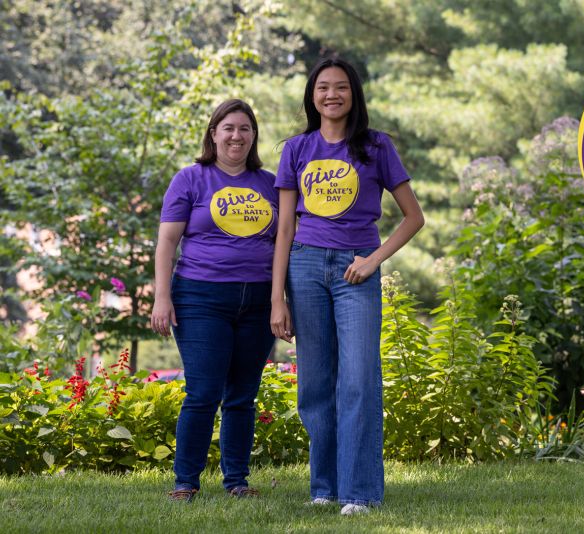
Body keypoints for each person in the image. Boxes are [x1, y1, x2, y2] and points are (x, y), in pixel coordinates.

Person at [271, 58, 424, 515]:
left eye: (340, 87)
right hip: (303, 267)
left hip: (355, 271)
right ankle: (324, 488)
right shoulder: (296, 149)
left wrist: (373, 260)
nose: (331, 94)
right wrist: (276, 297)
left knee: (358, 379)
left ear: (353, 94)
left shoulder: (376, 147)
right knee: (316, 382)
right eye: (322, 87)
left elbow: (413, 217)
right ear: (311, 95)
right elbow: (283, 229)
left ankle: (360, 493)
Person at [150, 99, 278, 502]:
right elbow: (167, 241)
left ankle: (237, 482)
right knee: (203, 391)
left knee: (243, 393)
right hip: (201, 297)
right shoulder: (190, 179)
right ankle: (185, 482)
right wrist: (161, 297)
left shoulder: (272, 184)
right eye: (228, 128)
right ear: (213, 133)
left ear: (253, 135)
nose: (236, 136)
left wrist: (282, 300)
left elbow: (286, 243)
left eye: (244, 128)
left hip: (258, 299)